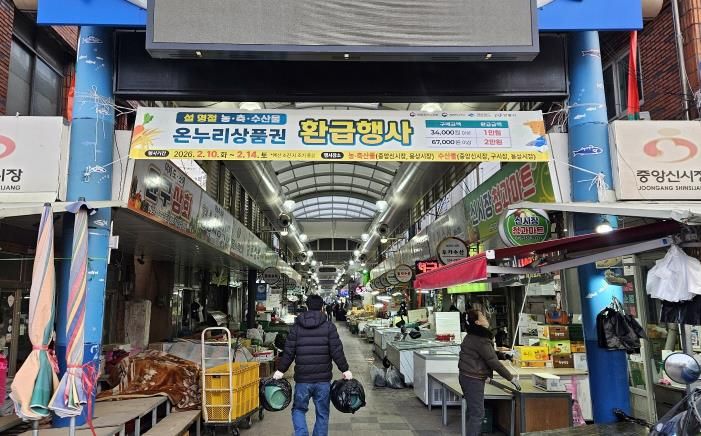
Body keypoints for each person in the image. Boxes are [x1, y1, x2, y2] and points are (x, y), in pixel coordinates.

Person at [274, 294, 352, 436]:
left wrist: (281, 370)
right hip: (323, 381)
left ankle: (301, 434)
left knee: (299, 409)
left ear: (307, 307)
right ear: (322, 307)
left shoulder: (297, 327)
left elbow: (289, 351)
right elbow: (337, 351)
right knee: (322, 412)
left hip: (303, 380)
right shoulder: (329, 327)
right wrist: (345, 369)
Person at [459, 310, 521, 436]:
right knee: (477, 414)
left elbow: (488, 354)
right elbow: (493, 362)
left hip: (467, 376)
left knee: (473, 411)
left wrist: (504, 355)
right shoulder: (481, 339)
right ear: (477, 322)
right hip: (473, 379)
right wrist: (511, 378)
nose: (485, 317)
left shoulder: (473, 335)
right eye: (482, 316)